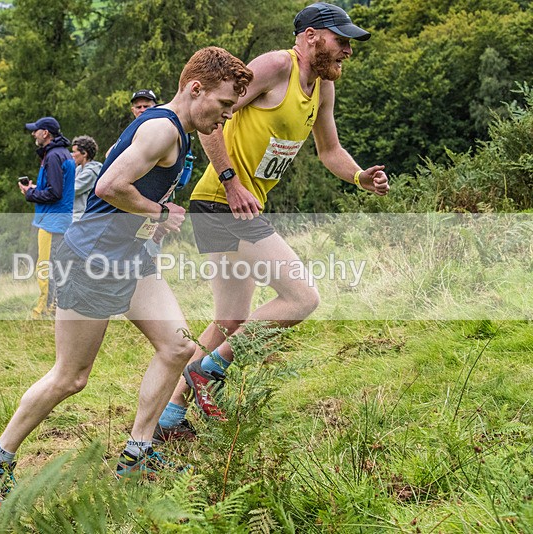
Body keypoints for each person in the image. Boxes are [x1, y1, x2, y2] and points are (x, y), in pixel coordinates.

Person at [0, 46, 253, 506]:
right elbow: (108, 186)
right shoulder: (162, 129)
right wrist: (160, 210)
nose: (224, 117)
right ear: (195, 89)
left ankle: (137, 456)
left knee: (179, 346)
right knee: (70, 377)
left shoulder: (178, 128)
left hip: (129, 254)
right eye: (222, 106)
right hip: (92, 259)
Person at [154, 2, 391, 442]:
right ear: (312, 36)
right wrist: (230, 181)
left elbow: (329, 150)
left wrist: (360, 176)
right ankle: (210, 370)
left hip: (231, 206)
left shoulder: (321, 89)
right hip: (224, 203)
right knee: (301, 297)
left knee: (230, 319)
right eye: (342, 41)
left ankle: (168, 419)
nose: (348, 51)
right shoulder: (277, 66)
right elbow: (209, 117)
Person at [19, 116, 75, 318]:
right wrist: (35, 188)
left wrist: (29, 194)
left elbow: (55, 193)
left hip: (52, 223)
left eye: (36, 130)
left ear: (46, 133)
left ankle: (43, 312)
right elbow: (56, 188)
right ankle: (53, 309)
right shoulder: (62, 154)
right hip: (57, 220)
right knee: (53, 268)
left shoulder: (53, 156)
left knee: (45, 269)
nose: (33, 133)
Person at [70, 135, 102, 222]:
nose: (72, 155)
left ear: (84, 153)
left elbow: (71, 190)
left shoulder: (91, 173)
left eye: (74, 152)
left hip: (81, 217)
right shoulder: (79, 169)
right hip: (75, 216)